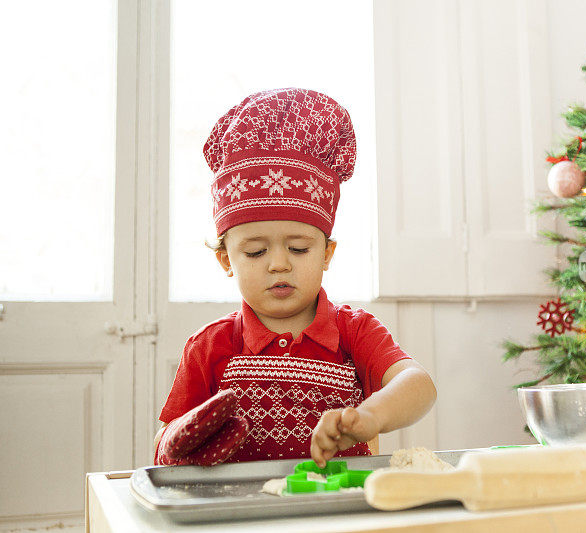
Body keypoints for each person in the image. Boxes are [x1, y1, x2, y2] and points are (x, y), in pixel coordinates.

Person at [154, 88, 436, 468]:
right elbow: (165, 440)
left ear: (326, 255)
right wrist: (177, 442)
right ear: (226, 260)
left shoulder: (354, 332)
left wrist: (371, 416)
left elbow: (419, 386)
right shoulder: (210, 347)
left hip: (339, 514)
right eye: (255, 252)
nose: (279, 265)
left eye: (299, 249)